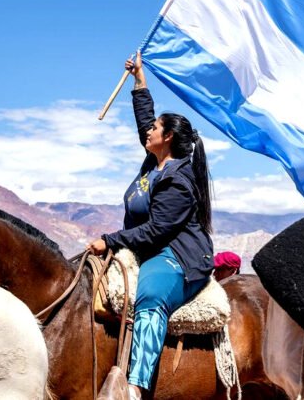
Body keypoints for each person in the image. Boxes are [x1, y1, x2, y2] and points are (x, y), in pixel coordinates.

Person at [87, 52, 214, 399]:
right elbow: (145, 121)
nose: (149, 131)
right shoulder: (154, 162)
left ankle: (136, 387)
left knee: (150, 297)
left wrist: (110, 239)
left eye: (156, 129)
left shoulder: (178, 180)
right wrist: (139, 80)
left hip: (176, 253)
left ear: (169, 136)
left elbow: (158, 230)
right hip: (149, 245)